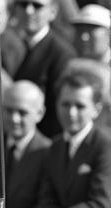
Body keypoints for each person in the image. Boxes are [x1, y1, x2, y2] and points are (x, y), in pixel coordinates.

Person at [37, 64, 111, 207]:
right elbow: (46, 199)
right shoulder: (55, 146)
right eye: (65, 104)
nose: (71, 113)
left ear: (96, 109)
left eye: (80, 106)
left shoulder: (105, 146)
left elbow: (101, 203)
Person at [13, 0, 76, 138]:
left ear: (53, 11)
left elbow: (58, 116)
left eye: (37, 5)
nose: (28, 11)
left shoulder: (62, 55)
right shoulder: (7, 45)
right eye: (23, 4)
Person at [3, 79, 51, 208]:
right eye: (9, 110)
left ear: (39, 113)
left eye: (22, 112)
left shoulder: (50, 153)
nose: (14, 119)